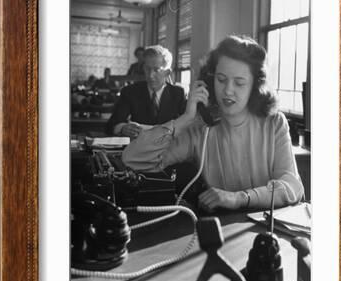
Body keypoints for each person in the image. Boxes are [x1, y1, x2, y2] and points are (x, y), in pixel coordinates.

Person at [122, 35, 304, 211]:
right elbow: (133, 159)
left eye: (239, 83)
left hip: (265, 228)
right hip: (221, 228)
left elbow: (292, 187)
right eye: (221, 80)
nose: (228, 91)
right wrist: (185, 118)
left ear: (255, 86)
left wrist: (239, 199)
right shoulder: (201, 128)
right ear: (209, 80)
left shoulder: (274, 123)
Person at [106, 45, 187, 137]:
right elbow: (111, 125)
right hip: (138, 147)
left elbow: (187, 126)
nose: (150, 75)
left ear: (167, 73)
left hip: (169, 148)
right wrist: (122, 128)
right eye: (147, 69)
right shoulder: (130, 92)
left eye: (156, 70)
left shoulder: (178, 94)